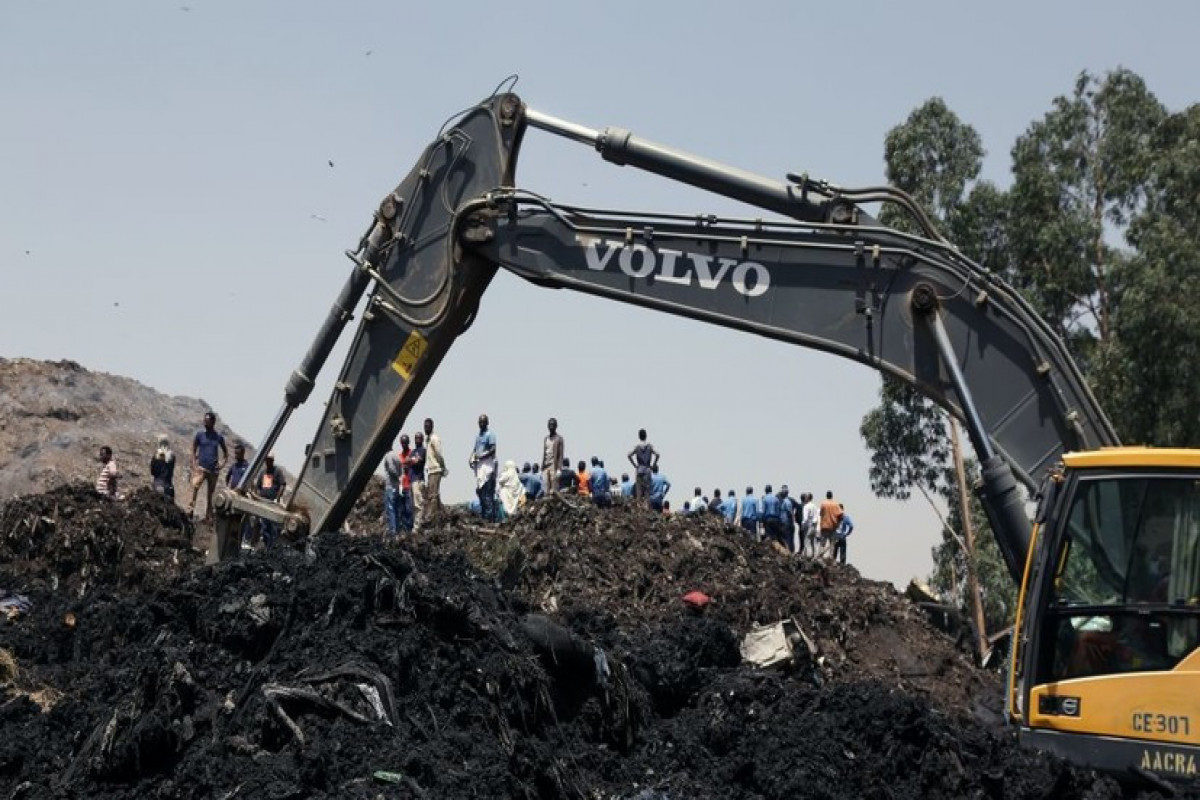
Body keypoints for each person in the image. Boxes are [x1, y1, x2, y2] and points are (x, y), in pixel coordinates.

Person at [188, 412, 228, 524]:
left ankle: (208, 516)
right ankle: (190, 510)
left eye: (207, 421)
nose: (205, 423)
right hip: (201, 468)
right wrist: (194, 463)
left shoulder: (218, 437)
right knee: (194, 487)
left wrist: (222, 465)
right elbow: (194, 448)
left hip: (213, 471)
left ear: (213, 422)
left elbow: (225, 453)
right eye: (204, 420)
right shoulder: (200, 435)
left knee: (210, 494)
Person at [417, 418, 446, 532]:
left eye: (428, 426)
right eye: (425, 426)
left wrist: (443, 467)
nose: (426, 428)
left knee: (432, 495)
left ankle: (430, 518)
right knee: (434, 494)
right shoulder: (428, 440)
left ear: (432, 427)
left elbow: (439, 454)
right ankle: (441, 514)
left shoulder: (434, 439)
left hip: (435, 469)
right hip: (430, 470)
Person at [254, 453, 287, 548]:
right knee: (264, 527)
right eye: (266, 460)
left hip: (273, 503)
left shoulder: (277, 471)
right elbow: (258, 486)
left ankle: (273, 547)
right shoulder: (263, 472)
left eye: (270, 460)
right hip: (264, 502)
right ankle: (266, 547)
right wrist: (258, 496)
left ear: (273, 461)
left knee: (273, 526)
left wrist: (277, 498)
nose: (268, 462)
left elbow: (282, 484)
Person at [470, 414, 498, 522]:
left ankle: (490, 520)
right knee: (481, 494)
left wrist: (481, 456)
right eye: (480, 422)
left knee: (487, 495)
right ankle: (484, 518)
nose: (481, 424)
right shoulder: (478, 436)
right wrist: (470, 458)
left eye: (483, 422)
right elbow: (474, 450)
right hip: (479, 468)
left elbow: (493, 450)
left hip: (487, 468)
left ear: (487, 423)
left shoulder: (490, 435)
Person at [627, 429, 660, 502]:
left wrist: (635, 465)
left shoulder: (637, 447)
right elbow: (657, 454)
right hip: (647, 469)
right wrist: (653, 465)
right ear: (646, 436)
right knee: (647, 491)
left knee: (639, 492)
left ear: (639, 436)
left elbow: (629, 455)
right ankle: (646, 508)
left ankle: (639, 509)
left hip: (639, 470)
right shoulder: (650, 446)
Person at [382, 438, 405, 537]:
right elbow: (401, 469)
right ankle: (397, 529)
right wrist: (398, 478)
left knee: (390, 508)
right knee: (396, 508)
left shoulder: (388, 456)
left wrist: (395, 477)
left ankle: (393, 530)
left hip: (390, 486)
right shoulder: (396, 456)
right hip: (396, 486)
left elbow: (391, 469)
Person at [407, 431, 427, 530]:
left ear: (422, 440)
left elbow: (417, 461)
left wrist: (411, 460)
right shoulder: (413, 452)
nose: (417, 440)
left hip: (418, 480)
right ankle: (416, 525)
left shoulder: (423, 450)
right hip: (412, 480)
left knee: (418, 505)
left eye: (419, 438)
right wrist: (411, 460)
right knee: (413, 505)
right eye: (415, 438)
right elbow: (407, 461)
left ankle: (417, 527)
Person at [819, 490, 844, 561]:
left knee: (822, 544)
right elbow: (841, 515)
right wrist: (838, 523)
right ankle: (831, 559)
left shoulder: (823, 504)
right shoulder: (835, 504)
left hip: (824, 526)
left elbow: (821, 514)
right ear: (832, 496)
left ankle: (820, 558)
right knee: (832, 544)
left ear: (826, 496)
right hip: (833, 526)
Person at [542, 418, 564, 495]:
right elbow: (544, 453)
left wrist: (559, 469)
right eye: (550, 425)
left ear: (556, 426)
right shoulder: (546, 439)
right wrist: (542, 466)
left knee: (554, 489)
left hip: (553, 466)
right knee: (546, 488)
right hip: (546, 466)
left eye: (553, 425)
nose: (551, 426)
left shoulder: (559, 439)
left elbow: (561, 455)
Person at [760, 484, 786, 550]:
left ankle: (769, 550)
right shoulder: (776, 499)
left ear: (765, 491)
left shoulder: (765, 499)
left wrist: (761, 520)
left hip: (768, 519)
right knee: (775, 536)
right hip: (776, 519)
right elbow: (779, 510)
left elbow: (763, 510)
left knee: (768, 536)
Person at [149, 434, 175, 499]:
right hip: (169, 485)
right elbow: (171, 471)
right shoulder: (172, 456)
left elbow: (152, 472)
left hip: (158, 484)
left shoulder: (156, 456)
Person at [779, 485, 799, 553]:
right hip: (787, 523)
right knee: (789, 539)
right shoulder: (790, 500)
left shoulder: (786, 501)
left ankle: (788, 552)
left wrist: (793, 517)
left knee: (787, 539)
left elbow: (789, 512)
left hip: (786, 523)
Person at [801, 493, 819, 558]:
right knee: (814, 542)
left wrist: (802, 526)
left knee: (807, 541)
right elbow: (817, 516)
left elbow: (805, 519)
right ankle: (815, 556)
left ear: (807, 498)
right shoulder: (815, 506)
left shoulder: (806, 507)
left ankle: (808, 556)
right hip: (814, 526)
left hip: (809, 526)